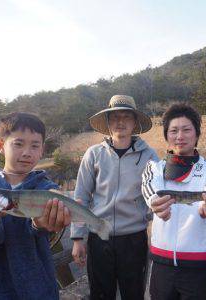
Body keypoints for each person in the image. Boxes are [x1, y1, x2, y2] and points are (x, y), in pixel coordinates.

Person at [0, 112, 71, 299]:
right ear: (1, 145)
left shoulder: (47, 190)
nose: (27, 152)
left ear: (42, 150)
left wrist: (40, 225)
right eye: (18, 144)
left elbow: (45, 233)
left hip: (39, 292)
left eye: (35, 145)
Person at [70, 95, 158, 300]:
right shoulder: (93, 154)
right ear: (108, 122)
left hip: (134, 238)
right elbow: (81, 195)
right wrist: (77, 237)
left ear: (135, 122)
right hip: (99, 237)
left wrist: (155, 231)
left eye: (127, 117)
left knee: (133, 293)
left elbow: (156, 195)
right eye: (115, 117)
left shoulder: (149, 155)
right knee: (100, 294)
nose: (120, 122)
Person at [142, 103, 206, 300]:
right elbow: (150, 191)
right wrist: (156, 203)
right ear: (167, 136)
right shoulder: (154, 168)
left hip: (198, 264)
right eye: (173, 131)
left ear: (197, 134)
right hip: (161, 262)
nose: (180, 136)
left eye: (186, 130)